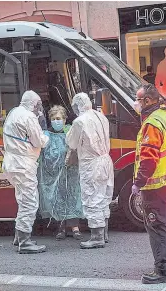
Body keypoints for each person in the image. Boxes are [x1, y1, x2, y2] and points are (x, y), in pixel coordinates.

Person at [132, 84, 166, 284]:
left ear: (148, 101)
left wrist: (138, 182)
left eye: (138, 99)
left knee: (157, 226)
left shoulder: (152, 124)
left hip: (154, 186)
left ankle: (163, 270)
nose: (136, 103)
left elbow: (149, 158)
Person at [2, 90, 50, 254]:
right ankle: (25, 242)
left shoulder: (14, 112)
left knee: (22, 199)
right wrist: (45, 133)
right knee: (30, 202)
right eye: (39, 104)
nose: (40, 108)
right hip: (23, 164)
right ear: (34, 104)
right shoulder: (29, 117)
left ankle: (18, 237)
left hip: (11, 163)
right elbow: (39, 141)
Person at [65, 93, 114, 249]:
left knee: (92, 198)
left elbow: (71, 142)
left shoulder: (79, 122)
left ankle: (96, 237)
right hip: (106, 161)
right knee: (104, 197)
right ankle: (104, 233)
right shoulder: (101, 116)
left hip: (91, 164)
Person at [38, 105, 84, 241]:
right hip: (54, 174)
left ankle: (75, 227)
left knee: (73, 196)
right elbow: (44, 154)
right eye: (53, 118)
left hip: (71, 172)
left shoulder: (70, 132)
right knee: (58, 198)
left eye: (58, 118)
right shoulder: (46, 135)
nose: (56, 121)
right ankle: (61, 227)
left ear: (64, 120)